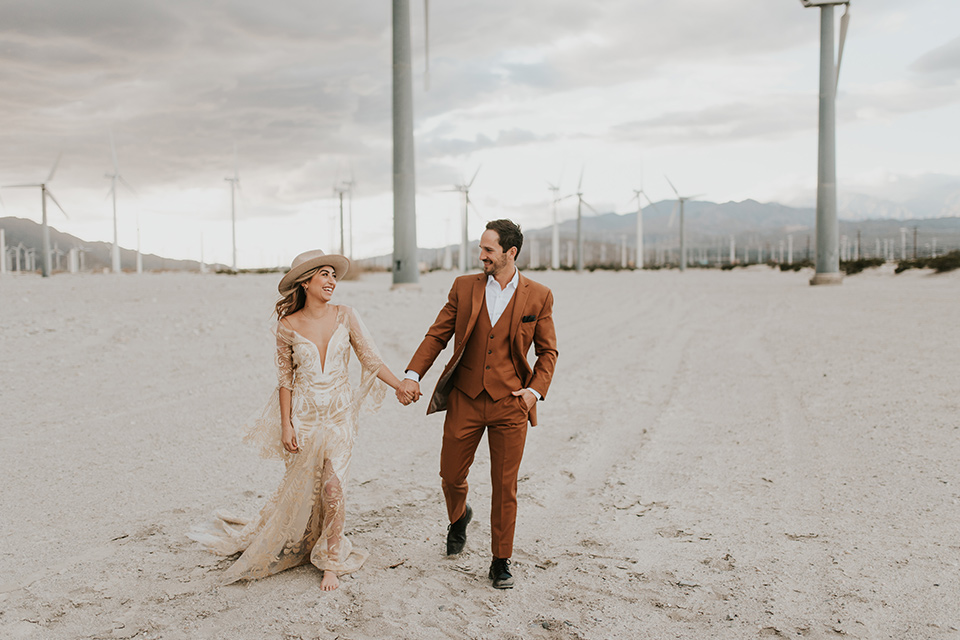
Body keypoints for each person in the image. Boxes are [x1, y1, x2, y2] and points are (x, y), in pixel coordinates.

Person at [189, 249, 403, 591]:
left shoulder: (346, 315)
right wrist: (287, 424)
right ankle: (305, 540)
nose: (333, 281)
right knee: (306, 488)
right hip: (303, 417)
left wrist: (399, 386)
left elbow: (371, 360)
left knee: (333, 487)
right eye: (325, 275)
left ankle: (331, 559)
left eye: (334, 275)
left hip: (338, 416)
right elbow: (285, 380)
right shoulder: (287, 326)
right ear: (306, 281)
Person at [396, 219, 558, 589]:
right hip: (465, 399)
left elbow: (548, 351)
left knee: (506, 486)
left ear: (509, 253)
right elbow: (437, 335)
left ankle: (501, 560)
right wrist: (412, 374)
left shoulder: (539, 295)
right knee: (450, 475)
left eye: (488, 250)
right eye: (481, 248)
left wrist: (533, 392)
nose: (480, 255)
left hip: (511, 403)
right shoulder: (464, 287)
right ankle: (458, 517)